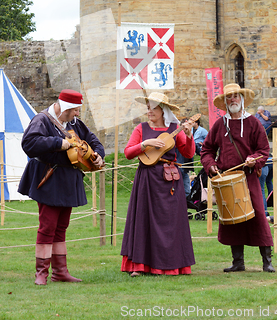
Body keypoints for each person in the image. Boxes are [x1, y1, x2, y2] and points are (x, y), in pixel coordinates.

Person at [18, 89, 105, 285]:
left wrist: (99, 154)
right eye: (74, 110)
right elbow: (29, 143)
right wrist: (59, 143)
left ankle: (60, 272)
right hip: (48, 177)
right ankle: (41, 273)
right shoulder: (42, 120)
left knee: (61, 227)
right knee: (47, 226)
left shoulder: (75, 123)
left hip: (68, 177)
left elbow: (93, 141)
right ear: (65, 107)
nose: (77, 114)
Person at [200, 83, 275, 273]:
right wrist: (211, 165)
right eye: (229, 97)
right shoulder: (219, 124)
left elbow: (263, 150)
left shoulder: (253, 123)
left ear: (242, 100)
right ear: (225, 102)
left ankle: (267, 262)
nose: (233, 99)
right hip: (226, 178)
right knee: (232, 218)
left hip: (248, 178)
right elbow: (207, 150)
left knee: (258, 216)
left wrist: (253, 160)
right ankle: (238, 262)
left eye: (236, 96)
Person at [120, 92, 195, 276]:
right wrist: (144, 144)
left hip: (168, 181)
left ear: (163, 110)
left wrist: (189, 135)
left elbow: (188, 153)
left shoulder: (175, 129)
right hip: (146, 179)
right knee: (143, 220)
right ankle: (139, 265)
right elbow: (128, 152)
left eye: (153, 108)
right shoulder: (141, 128)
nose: (149, 111)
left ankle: (171, 264)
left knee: (170, 223)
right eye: (148, 108)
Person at [176, 118, 191, 197]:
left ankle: (184, 208)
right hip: (176, 168)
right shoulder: (176, 137)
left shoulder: (189, 138)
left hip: (185, 169)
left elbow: (196, 150)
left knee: (186, 192)